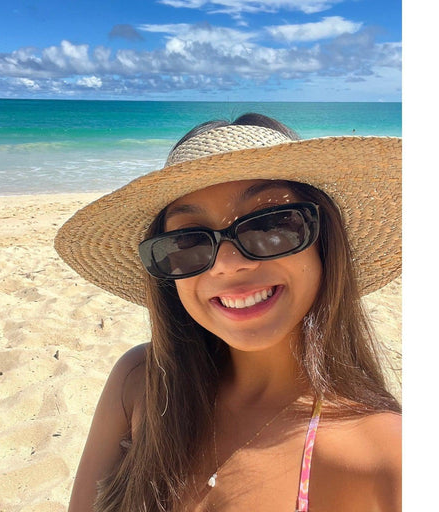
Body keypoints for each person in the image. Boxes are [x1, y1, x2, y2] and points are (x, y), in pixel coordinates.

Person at [55, 113, 402, 512]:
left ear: (325, 241)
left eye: (270, 225)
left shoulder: (388, 458)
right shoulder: (141, 383)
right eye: (187, 241)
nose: (226, 264)